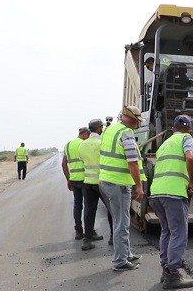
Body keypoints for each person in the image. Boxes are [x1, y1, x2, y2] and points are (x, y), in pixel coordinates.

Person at [149, 115, 193, 289]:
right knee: (178, 233)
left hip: (157, 193)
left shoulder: (164, 144)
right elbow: (190, 158)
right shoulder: (187, 138)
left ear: (173, 128)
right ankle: (172, 275)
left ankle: (166, 268)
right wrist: (192, 182)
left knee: (167, 232)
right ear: (189, 130)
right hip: (174, 194)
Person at [98, 105, 146, 271]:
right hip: (118, 184)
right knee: (122, 224)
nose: (137, 125)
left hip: (106, 181)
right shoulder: (126, 134)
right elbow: (132, 162)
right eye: (136, 121)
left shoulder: (110, 130)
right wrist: (139, 186)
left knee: (121, 221)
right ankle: (120, 261)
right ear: (131, 119)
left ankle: (126, 254)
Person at [79, 119, 113, 250]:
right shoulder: (102, 143)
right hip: (102, 182)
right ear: (99, 128)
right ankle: (113, 238)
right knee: (111, 210)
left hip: (88, 183)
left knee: (89, 211)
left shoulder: (82, 145)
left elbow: (82, 160)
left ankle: (87, 240)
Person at [62, 128, 90, 241]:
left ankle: (78, 231)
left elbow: (63, 164)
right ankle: (89, 232)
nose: (88, 138)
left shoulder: (68, 145)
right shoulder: (84, 144)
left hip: (74, 180)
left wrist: (68, 179)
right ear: (84, 134)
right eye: (87, 135)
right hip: (85, 179)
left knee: (77, 205)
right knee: (88, 206)